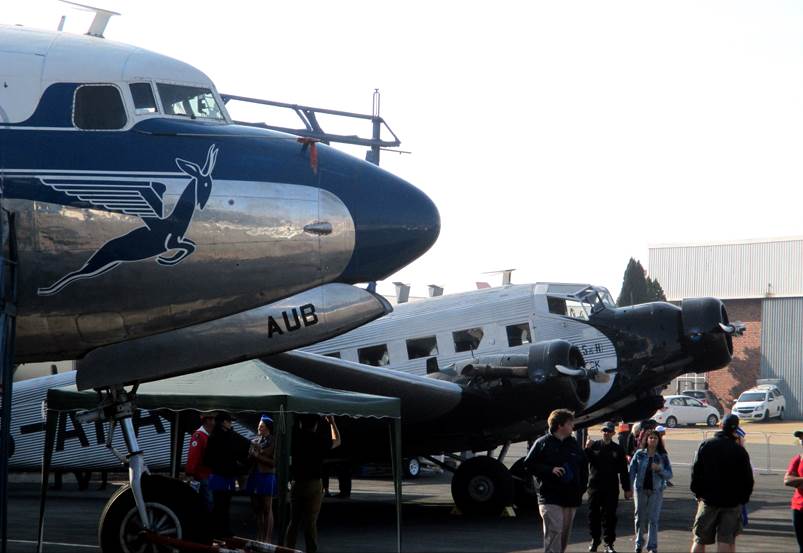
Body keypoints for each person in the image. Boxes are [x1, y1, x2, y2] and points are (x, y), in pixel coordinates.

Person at [524, 409, 588, 553]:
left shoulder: (574, 444)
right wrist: (548, 470)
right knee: (555, 531)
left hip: (571, 497)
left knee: (564, 535)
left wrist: (581, 488)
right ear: (560, 425)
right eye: (570, 424)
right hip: (550, 496)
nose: (573, 427)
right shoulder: (542, 443)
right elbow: (528, 464)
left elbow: (584, 467)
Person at [690, 414, 753, 553]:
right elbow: (748, 478)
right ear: (735, 429)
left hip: (709, 499)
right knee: (725, 540)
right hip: (731, 501)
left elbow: (696, 471)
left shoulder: (707, 445)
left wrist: (697, 492)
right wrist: (743, 498)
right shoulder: (739, 451)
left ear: (720, 425)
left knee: (700, 539)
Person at [286, 414, 341, 553]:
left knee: (293, 521)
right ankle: (311, 549)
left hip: (297, 482)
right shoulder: (319, 440)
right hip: (314, 483)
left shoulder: (295, 438)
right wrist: (332, 423)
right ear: (316, 425)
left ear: (301, 424)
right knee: (310, 522)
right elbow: (337, 441)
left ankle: (287, 549)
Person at [585, 421, 632, 553]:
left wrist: (627, 489)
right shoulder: (594, 446)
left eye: (609, 431)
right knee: (593, 515)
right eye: (604, 431)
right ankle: (595, 540)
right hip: (595, 487)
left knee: (610, 516)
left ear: (613, 433)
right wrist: (587, 448)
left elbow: (623, 471)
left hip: (611, 488)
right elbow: (584, 461)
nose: (606, 433)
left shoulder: (618, 449)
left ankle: (609, 543)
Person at [204, 412, 249, 538]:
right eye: (229, 421)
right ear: (224, 422)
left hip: (218, 476)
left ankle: (217, 531)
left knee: (219, 505)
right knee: (223, 505)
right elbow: (241, 451)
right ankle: (222, 531)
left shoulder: (213, 437)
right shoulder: (229, 437)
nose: (231, 424)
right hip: (224, 476)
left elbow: (207, 459)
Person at [628, 429, 673, 553]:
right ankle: (639, 543)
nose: (653, 440)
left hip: (656, 491)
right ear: (646, 440)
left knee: (653, 519)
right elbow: (631, 471)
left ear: (659, 441)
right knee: (639, 518)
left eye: (655, 438)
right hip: (641, 489)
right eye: (651, 438)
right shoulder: (639, 454)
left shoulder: (662, 456)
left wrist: (659, 469)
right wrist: (629, 488)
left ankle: (652, 546)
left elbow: (669, 475)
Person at [247, 414, 277, 543]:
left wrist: (257, 455)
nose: (259, 428)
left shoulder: (274, 441)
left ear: (268, 427)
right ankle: (259, 536)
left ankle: (267, 538)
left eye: (261, 426)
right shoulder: (255, 440)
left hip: (266, 475)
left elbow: (274, 462)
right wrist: (251, 454)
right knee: (257, 508)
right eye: (259, 426)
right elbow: (249, 459)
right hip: (254, 475)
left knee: (267, 508)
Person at [186, 412, 216, 512]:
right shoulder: (199, 436)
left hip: (207, 475)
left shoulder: (206, 435)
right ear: (207, 421)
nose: (214, 422)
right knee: (208, 502)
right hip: (201, 476)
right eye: (213, 419)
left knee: (208, 502)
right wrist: (190, 473)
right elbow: (193, 456)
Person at [784, 429, 803, 553]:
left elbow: (793, 480)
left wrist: (798, 481)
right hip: (798, 507)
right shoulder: (798, 458)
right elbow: (787, 479)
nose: (801, 441)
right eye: (801, 438)